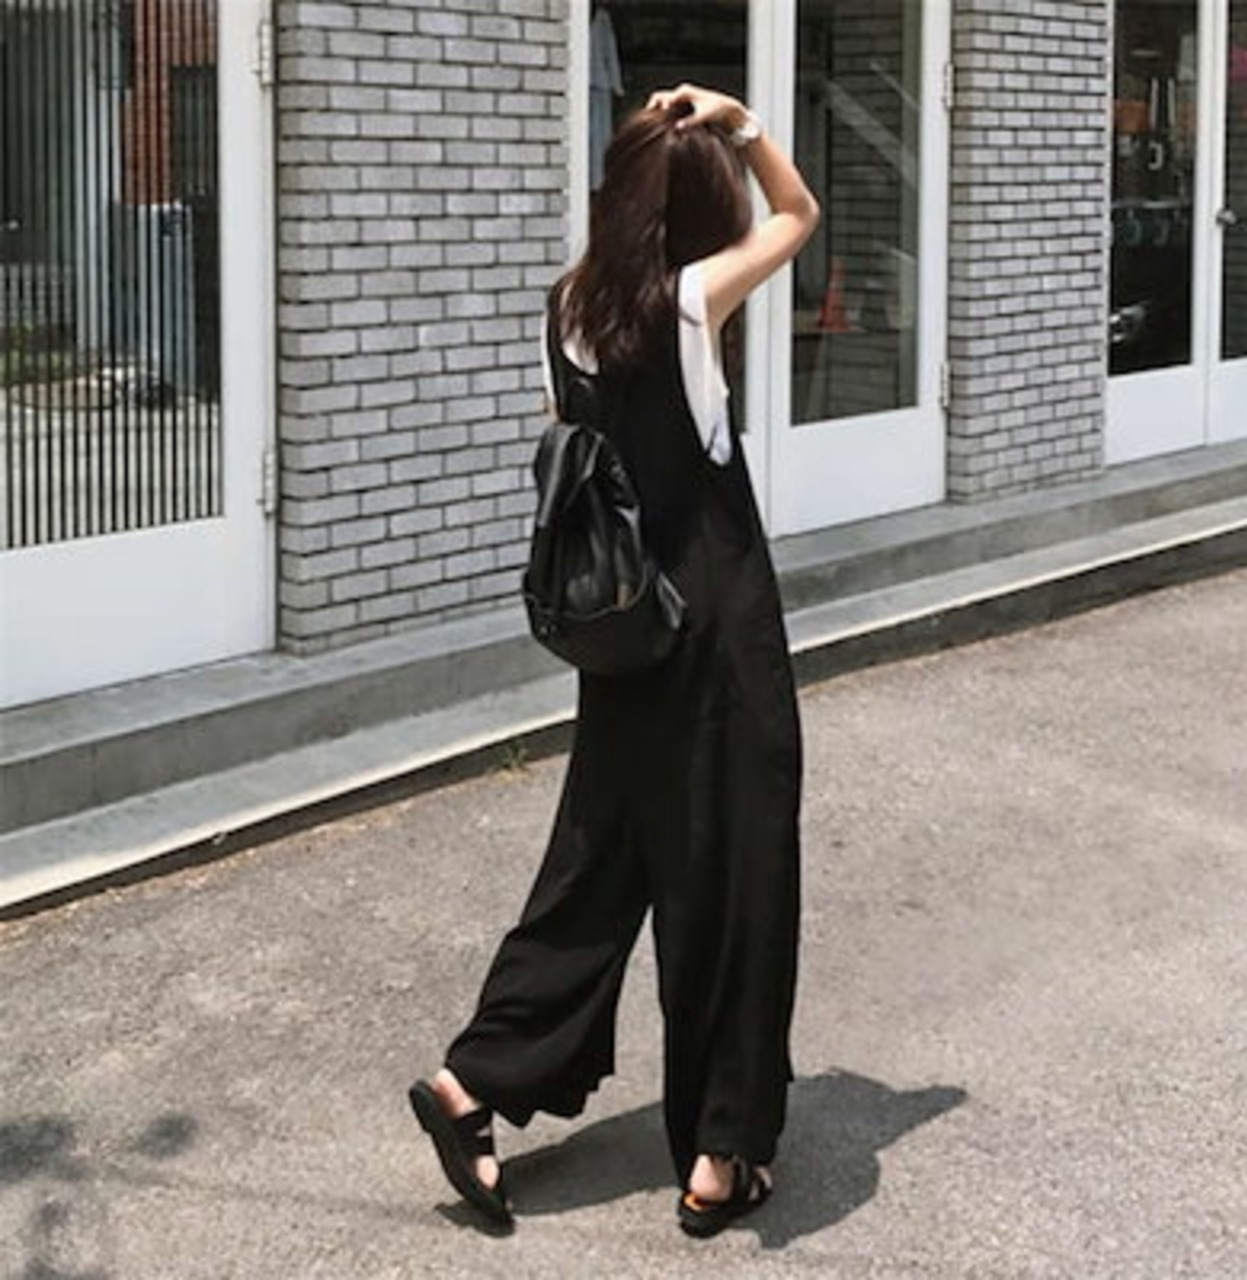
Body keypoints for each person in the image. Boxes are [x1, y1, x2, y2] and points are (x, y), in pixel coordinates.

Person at [409, 83, 820, 1238]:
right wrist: (741, 128)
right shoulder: (690, 300)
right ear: (696, 208)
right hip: (717, 643)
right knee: (734, 880)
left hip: (622, 640)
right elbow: (798, 215)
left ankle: (469, 1083)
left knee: (594, 870)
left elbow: (582, 443)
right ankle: (720, 1152)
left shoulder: (566, 308)